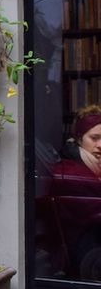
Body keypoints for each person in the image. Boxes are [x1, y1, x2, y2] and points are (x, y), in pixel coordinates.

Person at [43, 107, 101, 279]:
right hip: (82, 260)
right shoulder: (69, 172)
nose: (100, 145)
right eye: (94, 138)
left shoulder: (93, 168)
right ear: (79, 139)